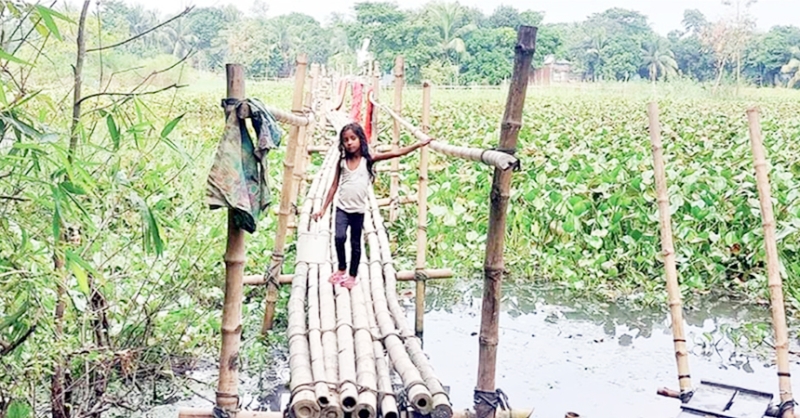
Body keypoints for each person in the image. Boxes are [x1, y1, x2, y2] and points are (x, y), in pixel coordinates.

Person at [312, 122, 433, 289]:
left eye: (353, 138)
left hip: (358, 211)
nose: (349, 142)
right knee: (339, 238)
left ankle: (352, 276)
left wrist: (418, 145)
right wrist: (323, 209)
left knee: (355, 243)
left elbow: (395, 153)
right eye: (346, 140)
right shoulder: (341, 162)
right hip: (342, 208)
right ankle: (341, 268)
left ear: (360, 139)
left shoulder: (367, 159)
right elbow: (333, 185)